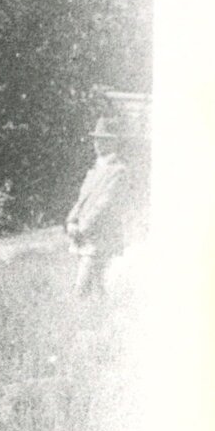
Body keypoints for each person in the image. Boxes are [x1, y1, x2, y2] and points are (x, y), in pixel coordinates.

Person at [65, 118, 143, 297]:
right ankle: (98, 314)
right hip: (85, 235)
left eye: (103, 140)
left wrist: (83, 227)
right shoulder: (95, 168)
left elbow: (105, 203)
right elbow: (82, 199)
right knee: (97, 284)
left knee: (82, 285)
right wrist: (71, 220)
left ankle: (82, 312)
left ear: (113, 142)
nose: (97, 144)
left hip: (101, 234)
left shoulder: (118, 170)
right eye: (96, 139)